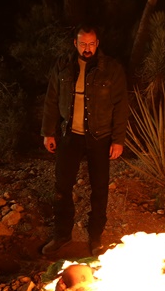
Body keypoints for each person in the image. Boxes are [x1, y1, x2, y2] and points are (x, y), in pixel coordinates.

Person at [40, 23, 130, 256]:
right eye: (83, 44)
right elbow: (51, 100)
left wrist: (118, 140)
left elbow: (121, 106)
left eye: (91, 44)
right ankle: (61, 236)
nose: (87, 48)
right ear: (75, 44)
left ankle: (96, 237)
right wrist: (48, 132)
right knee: (62, 187)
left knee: (99, 189)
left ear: (97, 44)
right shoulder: (63, 66)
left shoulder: (111, 69)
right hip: (70, 135)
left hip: (100, 137)